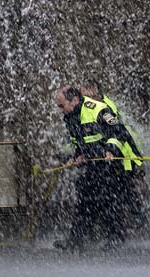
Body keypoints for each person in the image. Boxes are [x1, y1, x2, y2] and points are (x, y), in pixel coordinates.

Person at [53, 85, 129, 251]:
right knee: (84, 200)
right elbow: (79, 140)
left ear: (74, 100)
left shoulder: (98, 109)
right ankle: (77, 239)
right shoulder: (70, 116)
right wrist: (78, 155)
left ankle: (116, 238)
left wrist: (111, 150)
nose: (60, 110)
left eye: (62, 105)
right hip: (93, 163)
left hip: (111, 164)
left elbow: (119, 132)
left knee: (109, 200)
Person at [81, 81, 148, 232]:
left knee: (126, 193)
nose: (83, 100)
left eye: (85, 95)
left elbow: (117, 133)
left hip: (124, 156)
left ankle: (136, 227)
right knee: (125, 193)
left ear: (94, 91)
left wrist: (111, 151)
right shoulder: (96, 106)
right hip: (119, 156)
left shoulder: (103, 107)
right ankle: (136, 226)